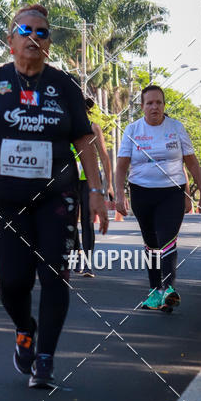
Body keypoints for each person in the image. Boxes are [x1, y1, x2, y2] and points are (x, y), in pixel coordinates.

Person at [0, 4, 109, 388]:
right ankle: (24, 328)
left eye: (42, 32)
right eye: (25, 31)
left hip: (56, 197)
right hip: (8, 199)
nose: (33, 37)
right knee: (13, 282)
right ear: (10, 41)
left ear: (48, 43)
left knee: (53, 274)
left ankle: (45, 357)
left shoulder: (64, 85)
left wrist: (97, 190)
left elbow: (84, 140)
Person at [114, 85, 201, 312]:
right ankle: (155, 291)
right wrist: (119, 195)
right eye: (150, 103)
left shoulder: (176, 128)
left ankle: (169, 289)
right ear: (142, 106)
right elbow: (121, 166)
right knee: (151, 244)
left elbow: (191, 163)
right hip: (141, 192)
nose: (155, 107)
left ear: (164, 105)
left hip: (172, 192)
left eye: (159, 102)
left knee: (167, 239)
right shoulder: (133, 130)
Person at [73, 97, 113, 276]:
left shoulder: (93, 127)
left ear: (86, 111)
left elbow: (104, 156)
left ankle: (87, 264)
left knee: (87, 221)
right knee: (70, 221)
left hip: (89, 180)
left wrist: (109, 185)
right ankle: (77, 254)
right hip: (69, 180)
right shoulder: (66, 127)